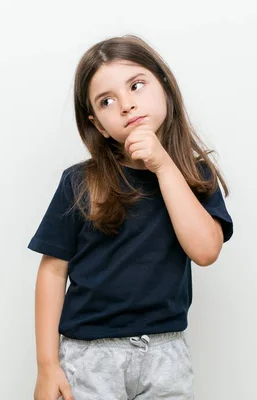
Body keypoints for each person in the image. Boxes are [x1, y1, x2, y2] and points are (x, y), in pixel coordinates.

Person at [28, 34, 234, 400]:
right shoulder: (81, 181)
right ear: (100, 125)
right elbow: (53, 270)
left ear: (166, 87)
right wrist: (47, 366)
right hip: (90, 356)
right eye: (107, 101)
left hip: (165, 355)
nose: (126, 105)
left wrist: (163, 165)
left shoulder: (195, 177)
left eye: (137, 85)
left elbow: (205, 251)